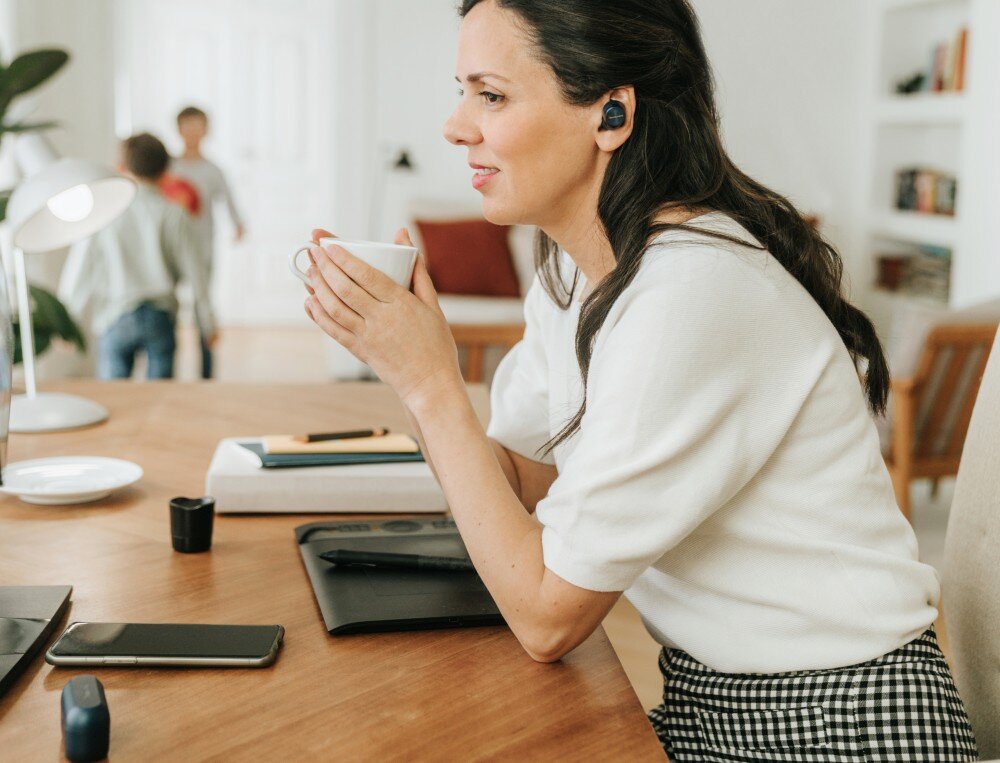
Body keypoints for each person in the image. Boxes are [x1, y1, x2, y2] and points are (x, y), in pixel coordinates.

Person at [299, 1, 978, 759]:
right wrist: (403, 357)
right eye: (463, 91)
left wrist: (432, 384)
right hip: (712, 700)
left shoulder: (690, 289)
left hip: (844, 724)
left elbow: (548, 615)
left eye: (490, 95)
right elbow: (518, 482)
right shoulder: (574, 270)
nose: (456, 126)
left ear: (612, 112)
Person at [60, 133, 215, 381]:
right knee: (160, 398)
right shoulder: (175, 215)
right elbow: (197, 276)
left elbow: (80, 271)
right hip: (160, 317)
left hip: (114, 316)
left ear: (120, 167)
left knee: (116, 399)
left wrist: (65, 324)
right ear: (166, 171)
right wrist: (207, 323)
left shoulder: (103, 214)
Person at [171, 105, 245, 380]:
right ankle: (166, 364)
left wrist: (238, 224)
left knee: (203, 304)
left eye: (197, 127)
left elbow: (228, 199)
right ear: (178, 130)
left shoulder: (213, 170)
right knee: (170, 303)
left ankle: (206, 370)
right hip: (172, 249)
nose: (192, 133)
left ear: (206, 130)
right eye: (186, 127)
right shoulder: (169, 167)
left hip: (202, 247)